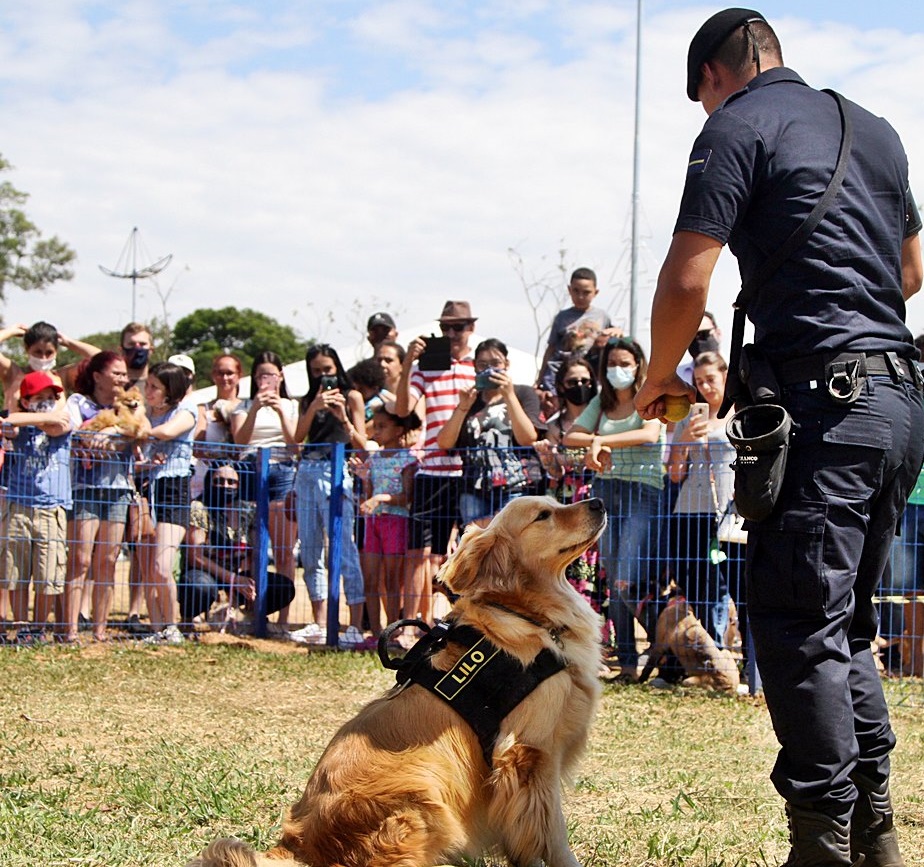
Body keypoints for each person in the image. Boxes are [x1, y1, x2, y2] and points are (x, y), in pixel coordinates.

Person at [634, 9, 924, 864]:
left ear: (716, 76)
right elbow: (910, 271)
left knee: (799, 624)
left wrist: (658, 377)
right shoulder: (874, 129)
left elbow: (689, 275)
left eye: (702, 98)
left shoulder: (735, 127)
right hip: (900, 399)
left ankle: (824, 846)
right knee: (848, 627)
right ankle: (873, 835)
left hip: (826, 405)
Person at [563, 337, 664, 680]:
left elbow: (651, 435)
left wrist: (599, 441)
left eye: (625, 363)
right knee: (614, 580)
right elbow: (570, 436)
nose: (618, 370)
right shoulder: (601, 402)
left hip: (643, 491)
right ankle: (628, 663)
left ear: (638, 365)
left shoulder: (649, 399)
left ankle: (669, 641)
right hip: (607, 491)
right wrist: (593, 440)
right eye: (612, 364)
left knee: (626, 580)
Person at [395, 300, 477, 633]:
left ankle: (467, 626)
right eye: (446, 328)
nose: (452, 333)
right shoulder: (426, 365)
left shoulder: (480, 365)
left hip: (469, 471)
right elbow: (403, 409)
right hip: (432, 469)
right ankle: (412, 626)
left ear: (471, 328)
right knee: (420, 554)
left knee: (468, 555)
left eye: (458, 327)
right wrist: (407, 363)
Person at [65, 351, 150, 642]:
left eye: (124, 374)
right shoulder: (78, 403)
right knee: (80, 559)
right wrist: (120, 433)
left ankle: (100, 632)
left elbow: (143, 429)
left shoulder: (129, 401)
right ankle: (70, 630)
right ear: (97, 376)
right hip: (84, 488)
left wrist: (114, 428)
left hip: (118, 490)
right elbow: (78, 437)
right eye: (116, 373)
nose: (122, 379)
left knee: (108, 559)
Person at [290, 344, 368, 648]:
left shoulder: (353, 397)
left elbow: (362, 443)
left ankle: (354, 624)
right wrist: (313, 408)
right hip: (308, 470)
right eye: (317, 371)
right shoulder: (308, 399)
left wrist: (343, 417)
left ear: (337, 367)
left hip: (337, 471)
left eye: (328, 369)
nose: (323, 376)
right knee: (310, 550)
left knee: (344, 549)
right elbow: (297, 438)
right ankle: (320, 622)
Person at [665, 352, 742, 655]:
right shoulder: (690, 416)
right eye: (699, 381)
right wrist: (684, 439)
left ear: (725, 377)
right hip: (690, 508)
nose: (706, 387)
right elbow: (673, 473)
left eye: (711, 379)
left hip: (731, 511)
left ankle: (741, 655)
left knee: (735, 581)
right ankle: (709, 650)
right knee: (696, 580)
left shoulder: (741, 413)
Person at [436, 338, 543, 528]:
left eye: (495, 364)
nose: (489, 370)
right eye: (483, 365)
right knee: (477, 546)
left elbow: (528, 438)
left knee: (512, 541)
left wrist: (509, 395)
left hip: (515, 485)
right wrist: (462, 408)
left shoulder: (523, 393)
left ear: (507, 365)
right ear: (474, 367)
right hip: (474, 488)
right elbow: (444, 442)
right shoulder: (470, 401)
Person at [0, 371, 73, 643]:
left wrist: (51, 415)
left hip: (51, 509)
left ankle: (38, 629)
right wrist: (39, 415)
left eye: (50, 398)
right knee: (15, 573)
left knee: (48, 575)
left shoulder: (63, 420)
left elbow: (59, 425)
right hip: (19, 506)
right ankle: (21, 628)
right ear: (26, 400)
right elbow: (9, 421)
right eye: (38, 398)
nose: (46, 403)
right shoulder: (22, 426)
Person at [177, 463, 295, 630]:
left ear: (238, 485)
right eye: (219, 481)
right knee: (199, 587)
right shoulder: (199, 508)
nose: (226, 486)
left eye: (231, 482)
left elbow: (255, 553)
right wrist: (234, 580)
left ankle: (248, 616)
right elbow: (195, 557)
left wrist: (252, 585)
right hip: (206, 572)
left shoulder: (248, 510)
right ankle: (191, 618)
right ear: (210, 482)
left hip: (237, 575)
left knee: (282, 586)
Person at [230, 351, 300, 620]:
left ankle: (283, 617)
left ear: (281, 376)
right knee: (252, 548)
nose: (265, 380)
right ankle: (253, 612)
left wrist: (280, 410)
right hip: (250, 470)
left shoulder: (293, 406)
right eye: (260, 375)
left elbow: (295, 445)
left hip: (282, 472)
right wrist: (255, 408)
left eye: (270, 374)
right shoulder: (243, 406)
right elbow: (239, 441)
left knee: (284, 550)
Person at [533, 358, 605, 615]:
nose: (580, 386)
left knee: (601, 567)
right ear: (562, 387)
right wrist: (548, 459)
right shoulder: (554, 425)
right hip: (567, 504)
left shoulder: (602, 421)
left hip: (599, 497)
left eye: (585, 381)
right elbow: (555, 473)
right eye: (573, 382)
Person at [138, 361, 197, 644]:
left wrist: (137, 431)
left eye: (154, 387)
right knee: (150, 566)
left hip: (175, 490)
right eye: (147, 385)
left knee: (163, 565)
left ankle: (172, 627)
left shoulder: (187, 410)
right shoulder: (147, 413)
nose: (147, 391)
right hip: (151, 488)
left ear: (170, 391)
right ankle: (157, 628)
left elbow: (168, 432)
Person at [352, 406, 420, 638]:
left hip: (396, 523)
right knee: (370, 578)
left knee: (393, 580)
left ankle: (392, 630)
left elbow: (407, 498)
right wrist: (365, 484)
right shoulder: (374, 460)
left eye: (382, 426)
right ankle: (377, 631)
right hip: (374, 523)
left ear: (399, 429)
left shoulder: (407, 460)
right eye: (375, 426)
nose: (376, 431)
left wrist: (379, 498)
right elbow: (368, 495)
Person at [535, 268, 620, 401]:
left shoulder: (602, 316)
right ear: (569, 290)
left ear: (595, 292)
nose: (580, 297)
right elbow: (551, 349)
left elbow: (613, 336)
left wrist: (618, 331)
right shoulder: (562, 317)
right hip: (561, 373)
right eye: (576, 291)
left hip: (587, 375)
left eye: (586, 292)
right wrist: (539, 379)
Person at [0, 320, 99, 411]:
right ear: (27, 349)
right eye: (38, 352)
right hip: (15, 429)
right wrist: (10, 331)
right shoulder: (13, 373)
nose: (43, 358)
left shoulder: (61, 377)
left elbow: (101, 359)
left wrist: (69, 342)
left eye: (49, 352)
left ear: (56, 351)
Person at [192, 353, 244, 499]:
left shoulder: (246, 407)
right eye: (220, 373)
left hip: (239, 476)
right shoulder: (203, 408)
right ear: (213, 375)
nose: (225, 378)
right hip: (208, 478)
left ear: (239, 375)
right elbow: (197, 447)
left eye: (230, 373)